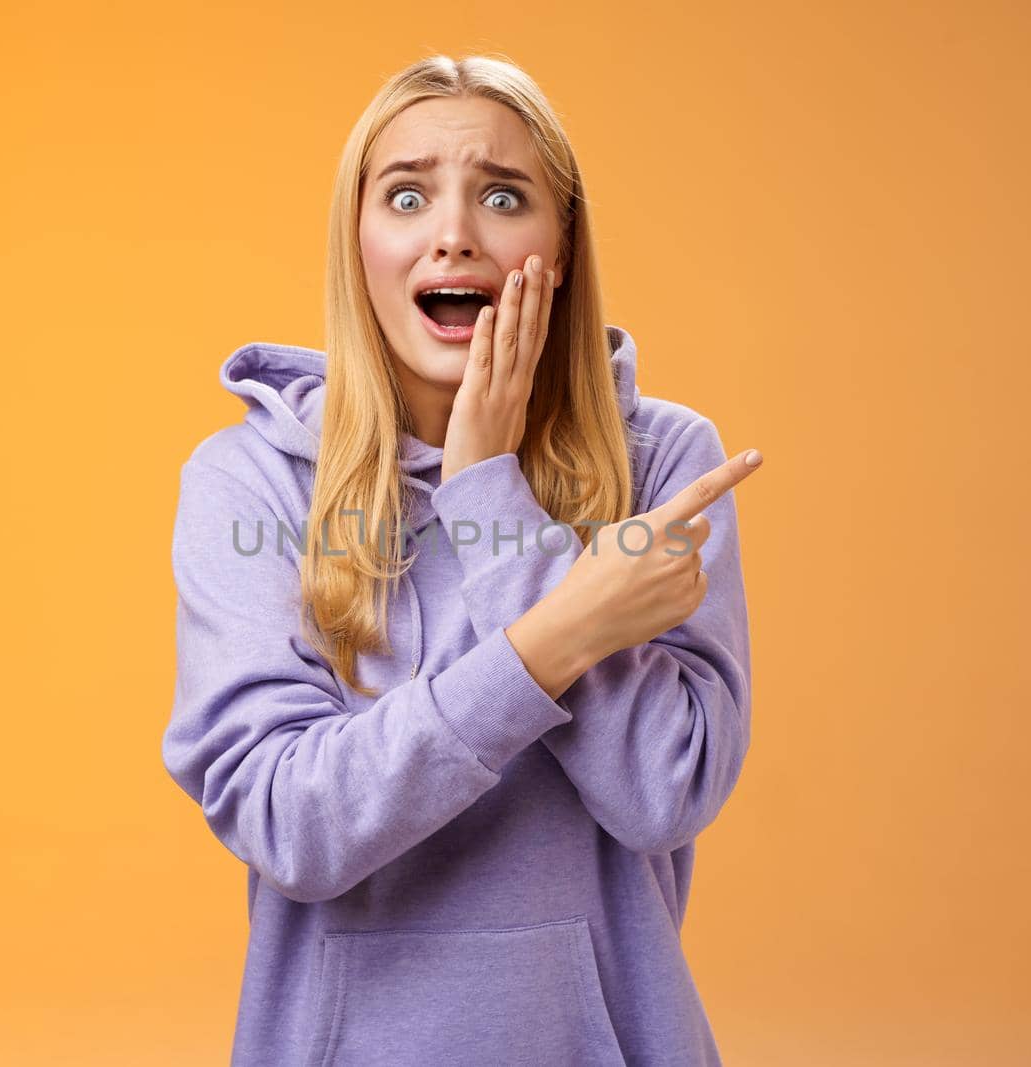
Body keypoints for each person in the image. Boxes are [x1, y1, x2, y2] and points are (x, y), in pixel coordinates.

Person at [162, 52, 764, 1066]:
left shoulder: (661, 458)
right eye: (405, 195)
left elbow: (664, 789)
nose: (454, 232)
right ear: (357, 243)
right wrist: (552, 637)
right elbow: (289, 823)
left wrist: (489, 496)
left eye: (501, 194)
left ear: (562, 243)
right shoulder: (253, 481)